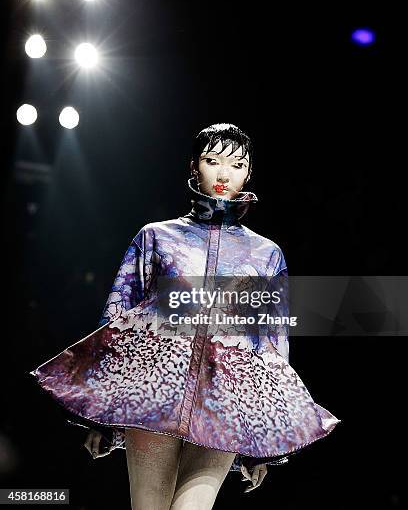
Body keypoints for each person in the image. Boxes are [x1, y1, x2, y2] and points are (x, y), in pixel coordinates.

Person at [28, 123, 341, 509]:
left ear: (249, 173)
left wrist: (264, 441)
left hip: (227, 401)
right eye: (212, 161)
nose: (224, 174)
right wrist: (99, 415)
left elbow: (272, 342)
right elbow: (118, 321)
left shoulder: (266, 255)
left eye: (237, 164)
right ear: (194, 167)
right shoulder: (156, 237)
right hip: (152, 391)